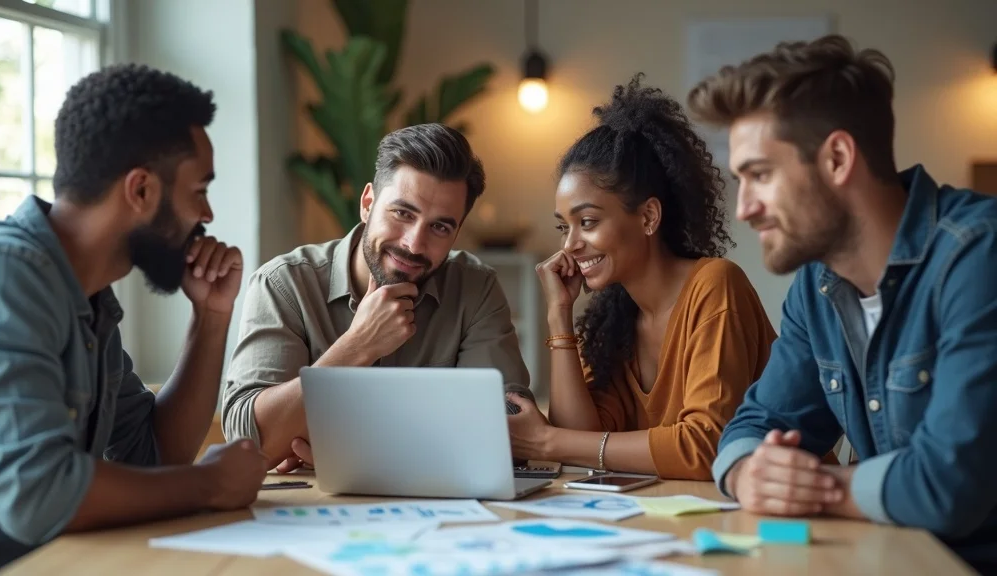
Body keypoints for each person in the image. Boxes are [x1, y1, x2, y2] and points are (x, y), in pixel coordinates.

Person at [687, 34, 997, 572]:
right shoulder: (817, 286)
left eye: (760, 175)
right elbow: (755, 424)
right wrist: (747, 474)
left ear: (836, 158)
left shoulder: (978, 255)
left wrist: (812, 487)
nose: (744, 208)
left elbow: (949, 485)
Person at [0, 63, 268, 574]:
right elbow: (37, 494)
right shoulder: (4, 273)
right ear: (141, 191)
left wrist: (211, 316)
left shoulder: (88, 299)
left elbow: (153, 456)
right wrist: (211, 484)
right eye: (199, 191)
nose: (207, 216)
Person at [505, 74, 777, 480]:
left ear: (648, 216)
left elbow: (706, 446)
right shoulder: (615, 320)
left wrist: (546, 442)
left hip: (789, 508)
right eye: (564, 226)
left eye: (588, 221)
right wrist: (559, 316)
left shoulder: (716, 285)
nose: (570, 245)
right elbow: (580, 443)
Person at [222, 123, 533, 471]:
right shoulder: (285, 284)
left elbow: (513, 431)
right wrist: (356, 347)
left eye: (440, 227)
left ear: (456, 232)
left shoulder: (476, 289)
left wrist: (359, 451)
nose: (414, 244)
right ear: (368, 203)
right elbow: (246, 446)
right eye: (403, 213)